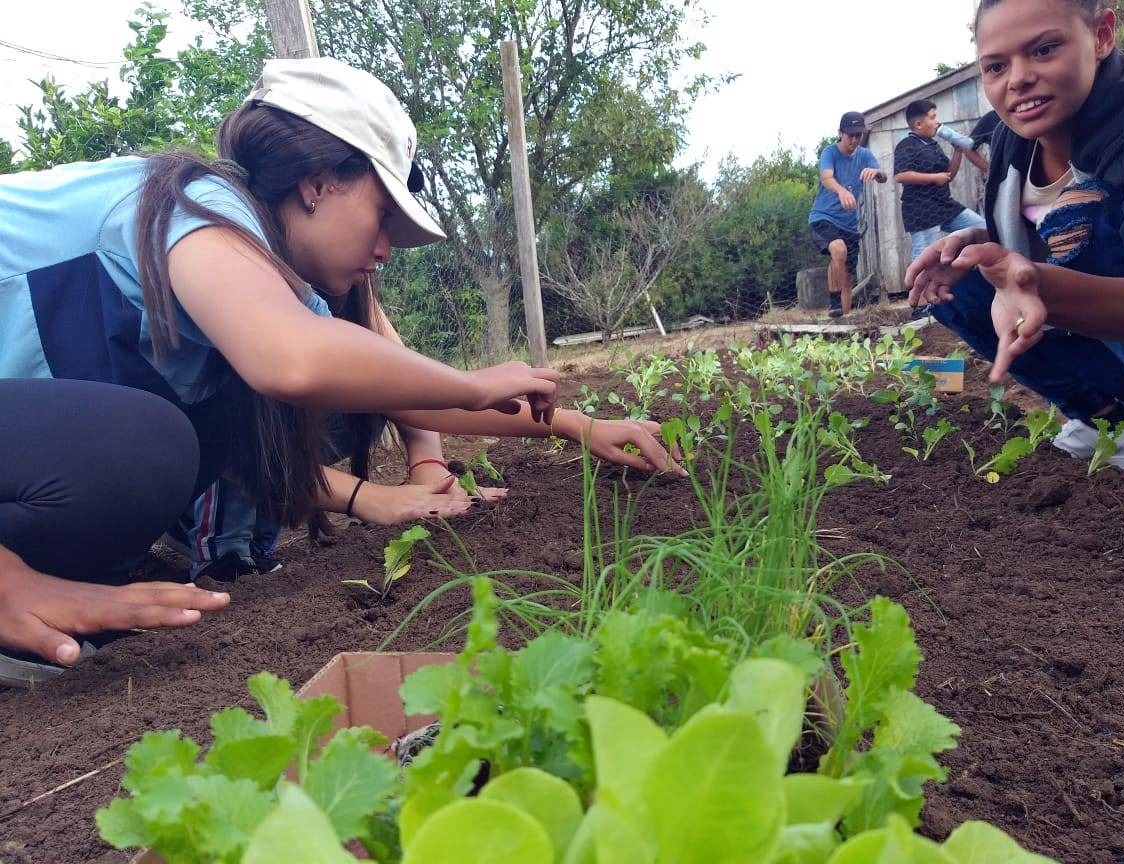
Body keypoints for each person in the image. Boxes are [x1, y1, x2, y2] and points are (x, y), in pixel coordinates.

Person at [0, 57, 683, 686]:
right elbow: (293, 359)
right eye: (382, 216)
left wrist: (577, 425)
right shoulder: (193, 206)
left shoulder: (278, 272)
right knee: (147, 447)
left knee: (213, 427)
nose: (386, 249)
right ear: (318, 182)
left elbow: (400, 391)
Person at [906, 0, 1124, 472]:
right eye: (996, 66)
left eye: (1043, 50)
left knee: (1079, 218)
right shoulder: (1011, 141)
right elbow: (1030, 236)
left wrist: (1046, 288)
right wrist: (980, 242)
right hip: (1113, 345)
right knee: (956, 281)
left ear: (1101, 36)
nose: (1017, 78)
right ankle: (1116, 424)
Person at [808, 111, 887, 319]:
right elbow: (826, 177)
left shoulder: (864, 154)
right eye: (850, 135)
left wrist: (877, 173)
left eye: (858, 135)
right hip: (823, 217)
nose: (854, 140)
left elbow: (883, 176)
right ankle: (833, 303)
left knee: (847, 275)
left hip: (849, 225)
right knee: (838, 249)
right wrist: (841, 190)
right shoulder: (830, 152)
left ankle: (842, 321)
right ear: (840, 133)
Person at [894, 99, 988, 262]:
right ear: (918, 124)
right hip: (921, 209)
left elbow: (948, 176)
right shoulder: (907, 145)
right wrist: (934, 178)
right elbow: (901, 176)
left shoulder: (932, 145)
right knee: (924, 256)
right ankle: (917, 287)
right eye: (933, 117)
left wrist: (958, 151)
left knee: (983, 227)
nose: (937, 122)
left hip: (944, 205)